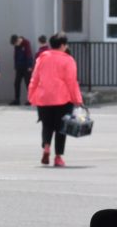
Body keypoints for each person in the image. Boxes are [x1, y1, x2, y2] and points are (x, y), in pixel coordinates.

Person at [27, 33, 84, 168]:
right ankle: (58, 157)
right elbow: (71, 82)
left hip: (44, 97)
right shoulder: (68, 60)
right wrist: (77, 99)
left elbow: (34, 78)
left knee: (46, 125)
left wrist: (31, 95)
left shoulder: (42, 58)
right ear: (63, 45)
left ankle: (46, 147)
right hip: (62, 99)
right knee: (61, 128)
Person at [10, 33, 33, 105]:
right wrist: (15, 66)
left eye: (16, 43)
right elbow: (15, 56)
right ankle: (17, 100)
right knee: (16, 83)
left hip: (26, 67)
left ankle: (30, 100)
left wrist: (30, 66)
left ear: (18, 40)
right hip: (19, 67)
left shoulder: (26, 43)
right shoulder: (16, 46)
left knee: (28, 84)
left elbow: (29, 55)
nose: (16, 45)